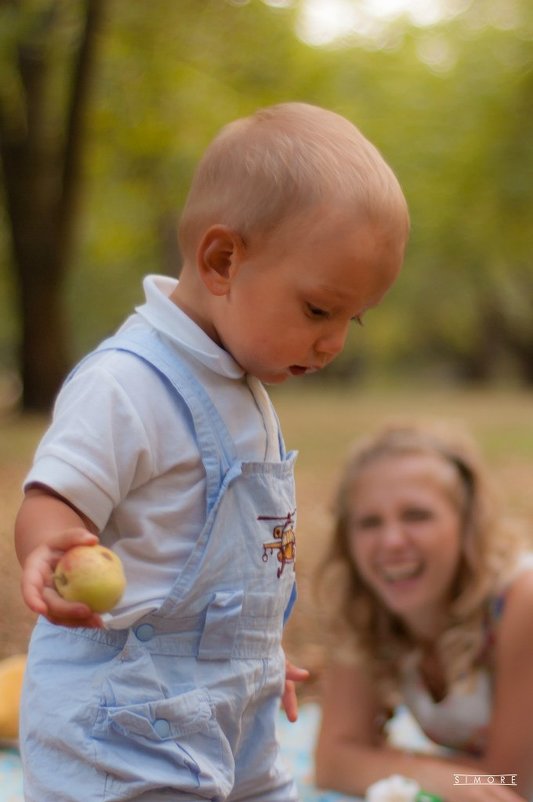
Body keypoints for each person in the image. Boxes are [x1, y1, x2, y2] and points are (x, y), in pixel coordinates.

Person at [14, 101, 409, 802]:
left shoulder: (235, 378)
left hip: (234, 711)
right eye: (319, 310)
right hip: (127, 722)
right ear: (223, 261)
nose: (333, 343)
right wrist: (48, 546)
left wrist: (251, 658)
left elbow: (215, 556)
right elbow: (56, 494)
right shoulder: (127, 381)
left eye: (353, 319)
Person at [314, 421, 533, 802]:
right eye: (369, 522)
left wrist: (388, 763)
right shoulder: (368, 609)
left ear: (467, 524)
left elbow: (508, 783)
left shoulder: (520, 602)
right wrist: (428, 773)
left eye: (417, 515)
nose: (392, 541)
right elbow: (331, 763)